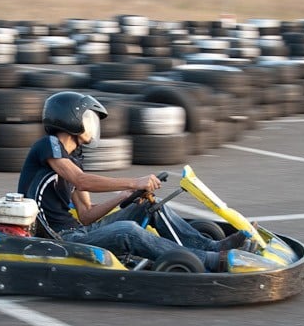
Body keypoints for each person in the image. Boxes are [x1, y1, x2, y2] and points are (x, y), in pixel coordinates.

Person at [17, 91, 250, 272]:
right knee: (127, 231)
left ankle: (212, 247)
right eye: (88, 118)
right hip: (59, 239)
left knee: (148, 205)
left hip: (79, 230)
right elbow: (82, 180)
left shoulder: (75, 158)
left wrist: (124, 197)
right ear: (71, 119)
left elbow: (86, 213)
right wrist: (133, 183)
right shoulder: (48, 146)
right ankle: (209, 261)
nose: (93, 125)